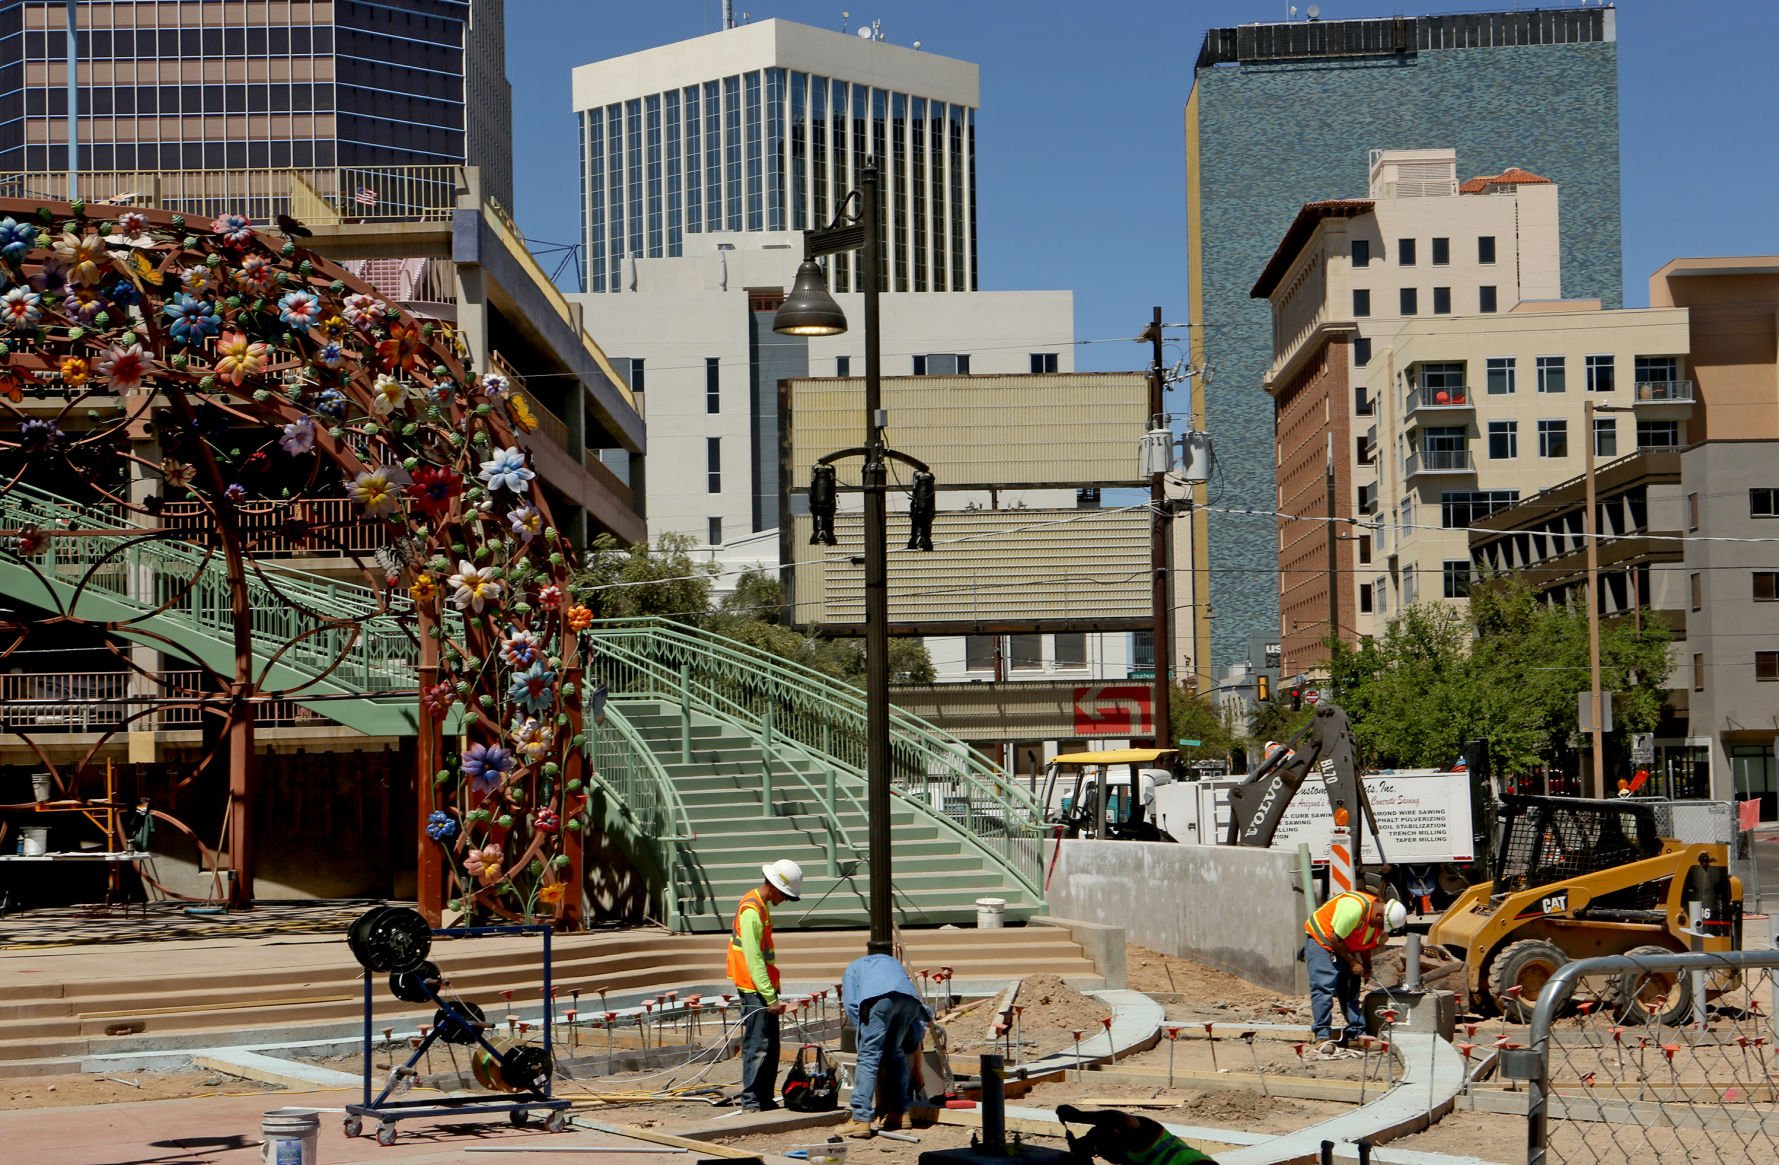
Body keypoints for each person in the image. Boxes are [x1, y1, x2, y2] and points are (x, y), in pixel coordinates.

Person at [728, 858, 802, 1112]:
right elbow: (754, 959)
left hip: (762, 988)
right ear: (773, 886)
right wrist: (770, 998)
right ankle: (752, 1101)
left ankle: (764, 1098)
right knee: (757, 1046)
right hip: (754, 989)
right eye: (784, 895)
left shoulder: (761, 906)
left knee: (770, 1047)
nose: (784, 900)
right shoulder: (751, 910)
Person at [837, 952, 930, 1138]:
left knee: (868, 1057)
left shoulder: (851, 970)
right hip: (910, 1000)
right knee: (895, 1053)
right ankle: (899, 1113)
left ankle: (860, 1118)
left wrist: (864, 1035)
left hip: (878, 999)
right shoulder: (892, 963)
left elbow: (851, 1006)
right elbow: (919, 1020)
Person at [1303, 889, 1406, 1055]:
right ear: (1379, 916)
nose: (1379, 929)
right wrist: (1352, 963)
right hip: (1322, 940)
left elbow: (1365, 942)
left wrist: (1366, 965)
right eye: (1380, 926)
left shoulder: (1375, 918)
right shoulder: (1353, 909)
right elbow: (1334, 938)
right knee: (1323, 988)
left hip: (1343, 944)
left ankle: (1357, 1034)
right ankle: (1322, 1036)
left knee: (1351, 990)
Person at [1056, 1104, 1219, 1165]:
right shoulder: (1136, 1156)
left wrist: (1079, 1117)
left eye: (1101, 1152)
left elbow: (1115, 1117)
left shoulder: (1147, 1134)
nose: (1107, 1159)